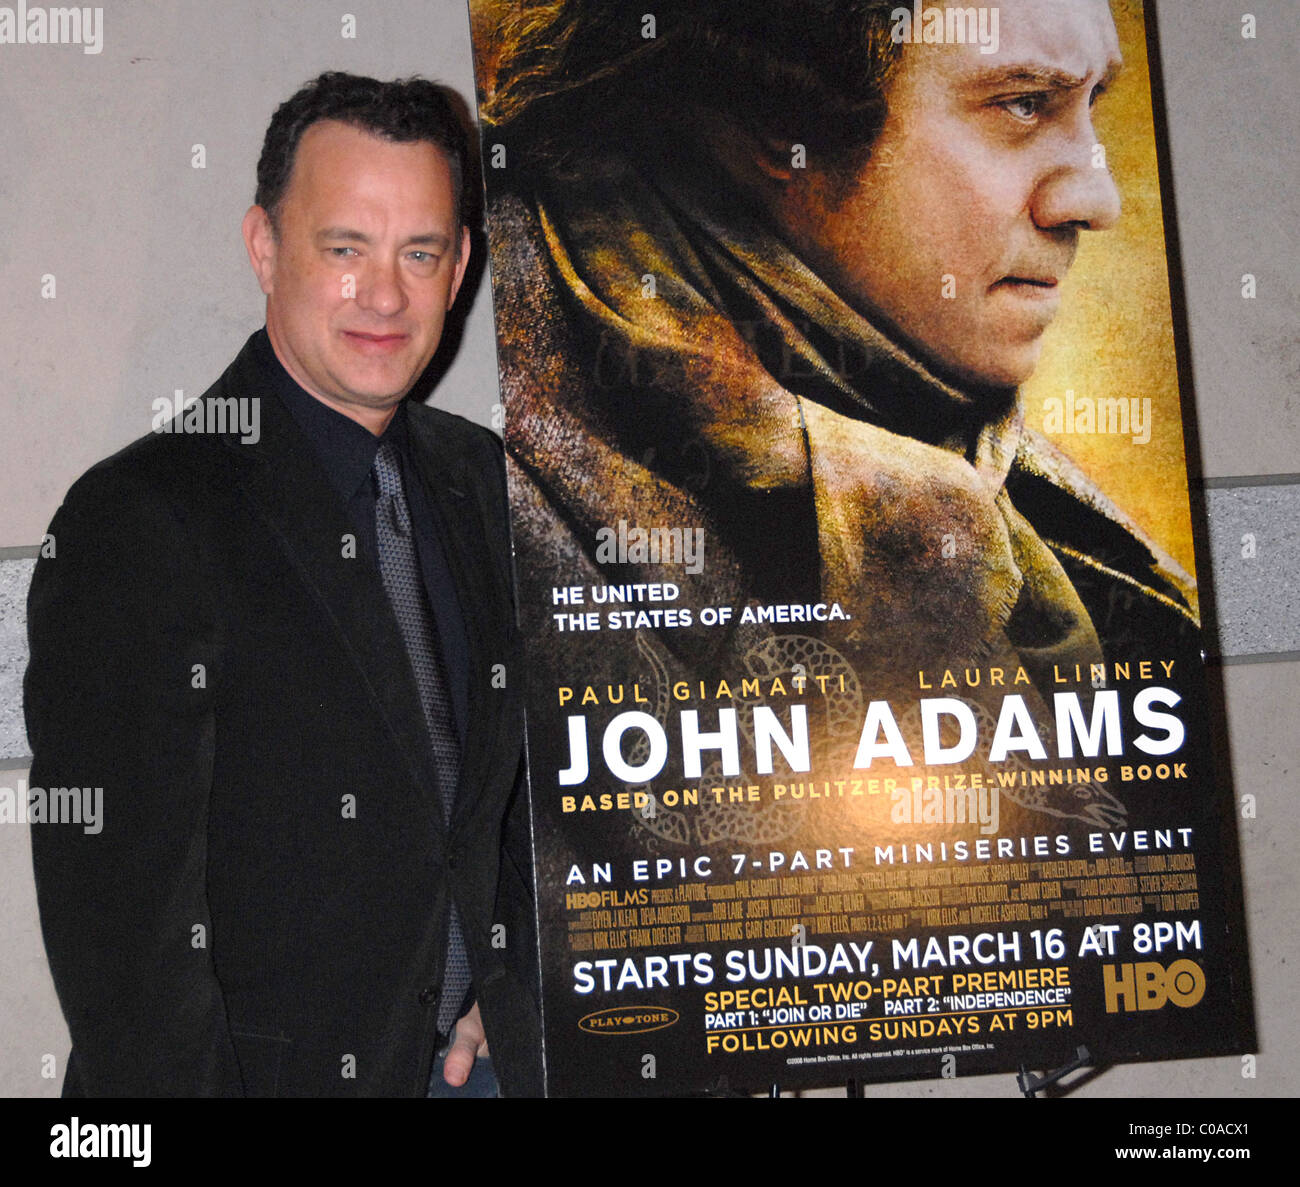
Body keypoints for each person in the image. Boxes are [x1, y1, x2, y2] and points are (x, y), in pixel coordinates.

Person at [25, 72, 542, 1097]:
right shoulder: (140, 517)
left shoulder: (488, 483)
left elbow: (532, 789)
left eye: (420, 252)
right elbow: (125, 938)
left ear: (460, 267)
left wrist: (513, 991)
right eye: (344, 248)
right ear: (264, 247)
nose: (385, 295)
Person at [478, 0, 1200, 719]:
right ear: (776, 117)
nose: (1096, 200)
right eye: (1022, 105)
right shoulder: (484, 479)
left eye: (1092, 100)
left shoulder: (1019, 494)